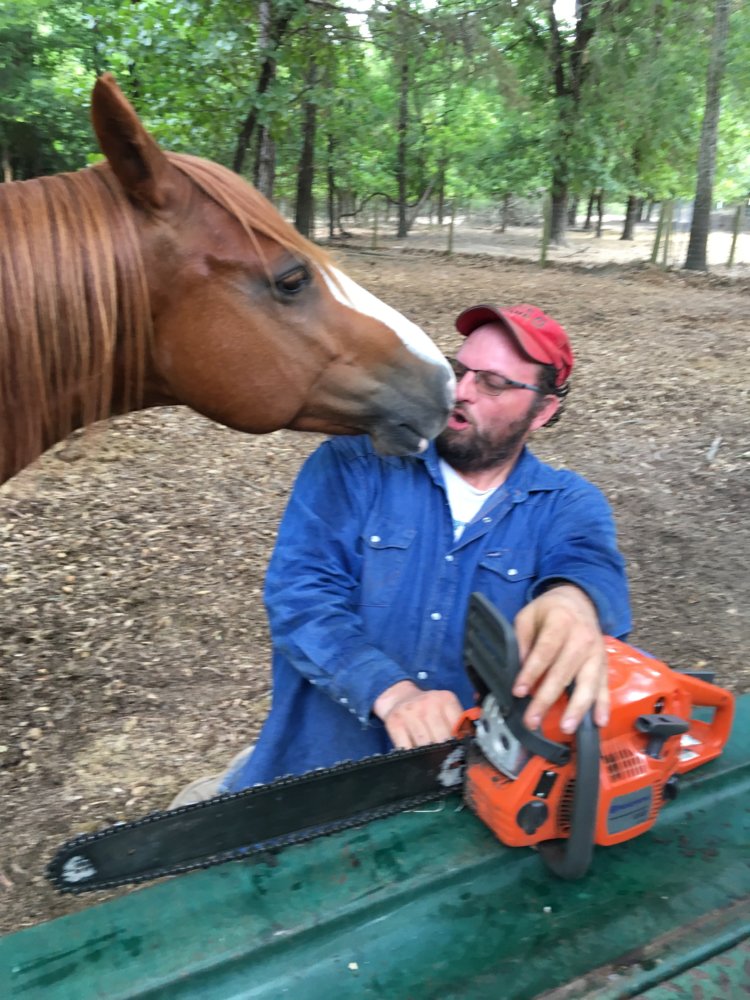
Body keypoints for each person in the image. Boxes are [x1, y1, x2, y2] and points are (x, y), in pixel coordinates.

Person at [172, 303, 630, 804]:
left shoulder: (566, 503)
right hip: (315, 772)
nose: (461, 390)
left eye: (494, 383)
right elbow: (300, 598)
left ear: (541, 411)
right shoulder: (357, 463)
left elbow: (589, 564)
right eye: (459, 370)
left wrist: (574, 602)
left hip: (466, 792)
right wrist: (392, 693)